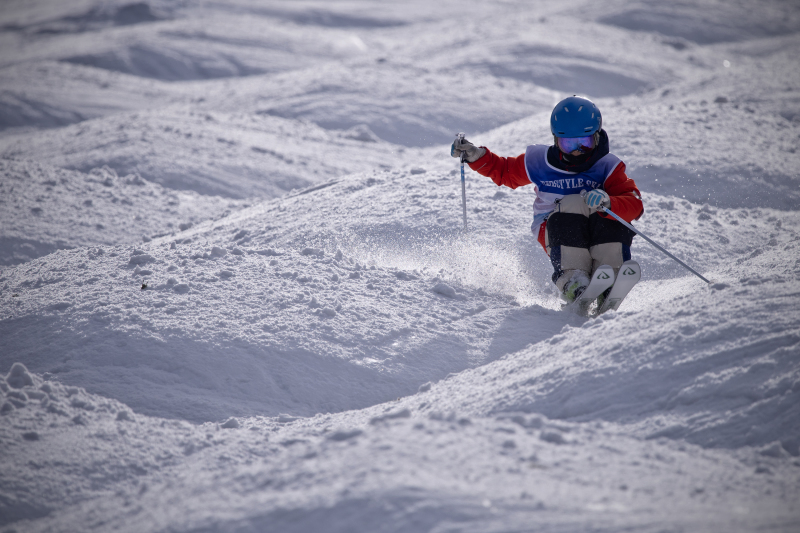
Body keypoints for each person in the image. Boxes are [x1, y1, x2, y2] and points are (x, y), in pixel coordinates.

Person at [451, 95, 644, 303]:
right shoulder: (540, 162)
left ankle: (609, 272)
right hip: (556, 229)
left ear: (597, 137)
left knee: (610, 214)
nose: (577, 152)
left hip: (595, 227)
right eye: (569, 144)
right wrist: (476, 155)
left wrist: (609, 202)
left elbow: (633, 204)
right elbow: (505, 172)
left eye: (585, 143)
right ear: (556, 139)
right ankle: (573, 279)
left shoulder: (608, 167)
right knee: (573, 203)